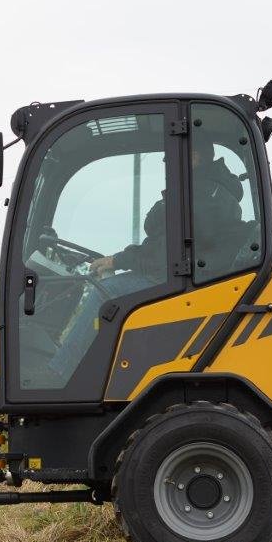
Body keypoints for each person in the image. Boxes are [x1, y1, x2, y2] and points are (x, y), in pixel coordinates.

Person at [46, 144, 244, 382]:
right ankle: (87, 372)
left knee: (106, 292)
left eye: (169, 158)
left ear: (193, 156)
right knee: (109, 287)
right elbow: (165, 244)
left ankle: (60, 374)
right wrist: (116, 260)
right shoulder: (201, 190)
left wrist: (118, 260)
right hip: (187, 276)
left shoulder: (203, 195)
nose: (165, 163)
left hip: (189, 283)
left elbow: (166, 255)